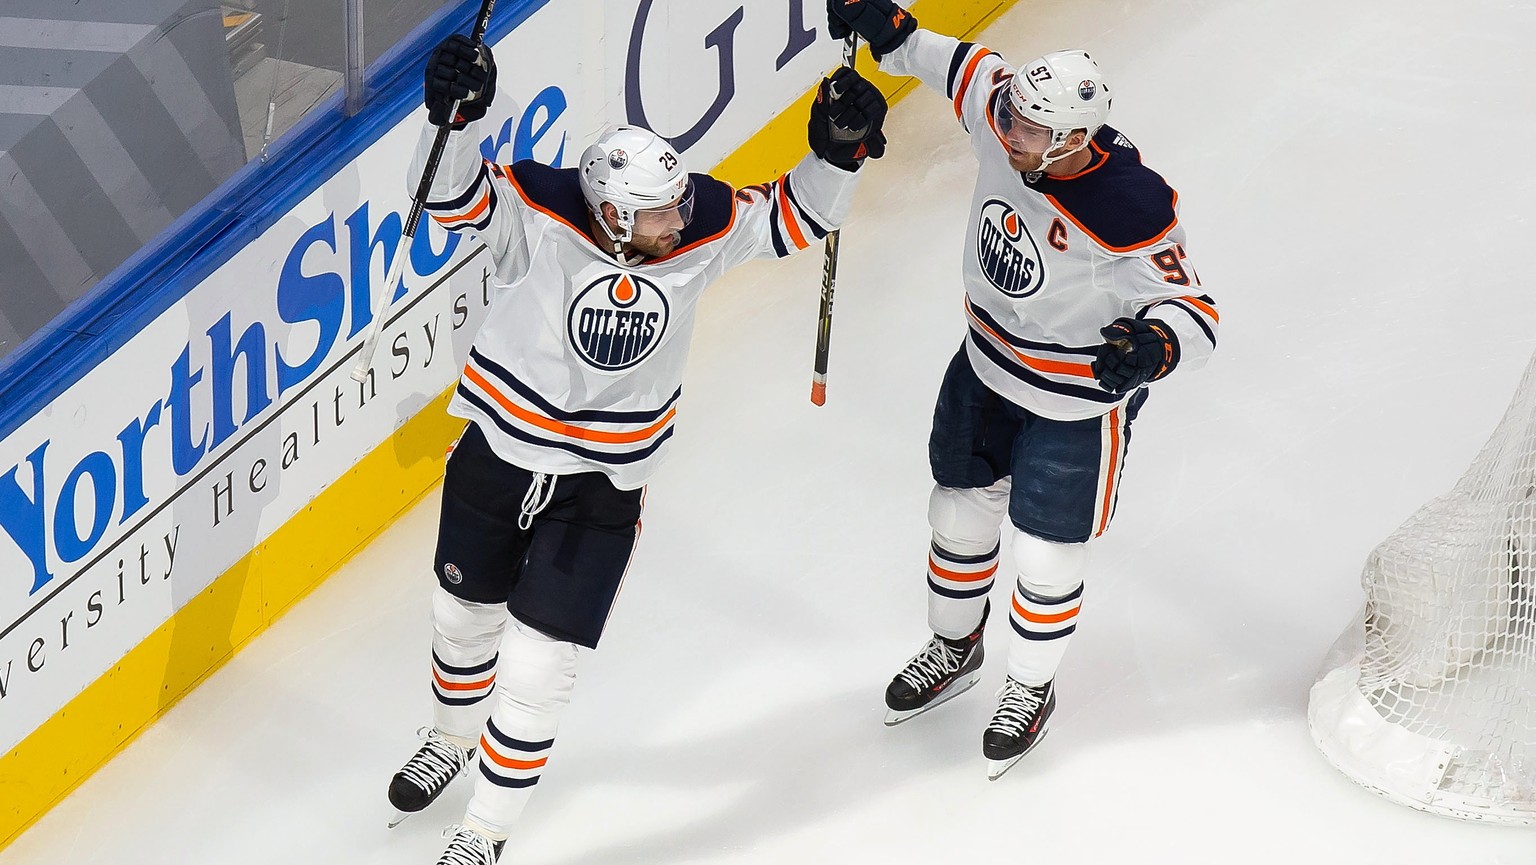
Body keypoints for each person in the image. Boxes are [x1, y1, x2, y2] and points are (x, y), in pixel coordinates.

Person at [385, 34, 889, 865]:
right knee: (460, 618)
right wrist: (453, 116)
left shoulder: (701, 226)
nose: (679, 220)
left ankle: (484, 834)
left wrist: (836, 155)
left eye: (679, 204)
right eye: (659, 213)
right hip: (497, 454)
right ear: (612, 214)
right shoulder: (540, 214)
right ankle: (448, 737)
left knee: (541, 669)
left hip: (603, 488)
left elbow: (798, 219)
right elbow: (444, 194)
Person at [825, 0, 1220, 779]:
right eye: (1010, 120)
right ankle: (955, 645)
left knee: (1045, 556)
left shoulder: (1129, 208)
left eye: (1031, 133)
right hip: (984, 365)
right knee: (957, 513)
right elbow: (959, 66)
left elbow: (1197, 312)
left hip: (1074, 406)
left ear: (1074, 141)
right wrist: (891, 26)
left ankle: (1030, 690)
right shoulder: (1011, 114)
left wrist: (1154, 345)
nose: (1009, 136)